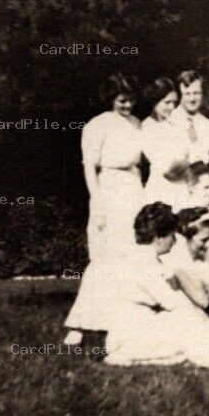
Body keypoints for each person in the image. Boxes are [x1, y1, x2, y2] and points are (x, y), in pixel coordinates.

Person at [104, 203, 209, 369]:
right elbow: (173, 303)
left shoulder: (150, 261)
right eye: (172, 235)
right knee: (185, 328)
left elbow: (178, 301)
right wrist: (206, 324)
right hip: (131, 333)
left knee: (188, 325)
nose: (175, 240)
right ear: (160, 237)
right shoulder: (143, 264)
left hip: (144, 325)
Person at [63, 73, 145, 344]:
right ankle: (80, 324)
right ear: (111, 99)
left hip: (134, 188)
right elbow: (90, 166)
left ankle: (122, 320)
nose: (128, 106)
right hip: (109, 190)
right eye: (122, 100)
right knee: (105, 258)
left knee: (133, 256)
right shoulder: (97, 125)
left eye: (131, 100)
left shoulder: (137, 124)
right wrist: (97, 202)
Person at [165, 207, 209, 323]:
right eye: (203, 240)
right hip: (185, 318)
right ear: (187, 237)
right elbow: (183, 303)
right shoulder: (175, 262)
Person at [139, 76, 191, 209]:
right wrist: (191, 159)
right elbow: (169, 171)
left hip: (184, 189)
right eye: (167, 102)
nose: (172, 107)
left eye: (174, 102)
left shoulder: (178, 124)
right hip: (162, 192)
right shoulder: (146, 128)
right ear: (154, 102)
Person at [172, 69, 209, 167]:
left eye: (196, 93)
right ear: (180, 96)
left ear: (202, 94)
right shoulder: (169, 122)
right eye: (187, 94)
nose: (192, 99)